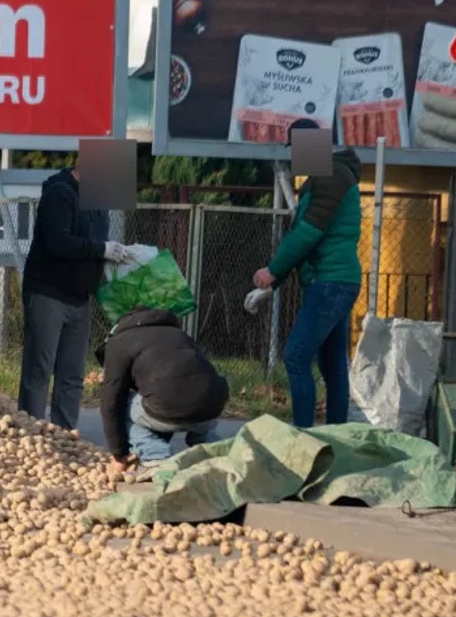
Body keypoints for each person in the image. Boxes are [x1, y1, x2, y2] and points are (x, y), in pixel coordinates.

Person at [254, 121, 363, 428]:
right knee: (333, 367)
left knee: (296, 357)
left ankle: (303, 435)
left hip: (329, 283)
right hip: (335, 281)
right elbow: (304, 236)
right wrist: (275, 280)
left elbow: (307, 233)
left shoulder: (330, 176)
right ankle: (336, 436)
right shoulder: (333, 173)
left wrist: (272, 271)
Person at [18, 161, 125, 430]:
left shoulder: (98, 203)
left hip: (80, 298)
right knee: (39, 370)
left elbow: (95, 246)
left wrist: (114, 256)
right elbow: (58, 242)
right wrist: (101, 250)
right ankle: (31, 432)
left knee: (72, 374)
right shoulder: (59, 194)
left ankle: (64, 435)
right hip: (48, 293)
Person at [95, 307, 230, 477]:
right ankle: (214, 449)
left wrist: (118, 454)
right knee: (189, 392)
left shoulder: (119, 341)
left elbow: (110, 403)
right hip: (212, 406)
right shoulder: (179, 335)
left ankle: (155, 456)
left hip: (169, 407)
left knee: (124, 402)